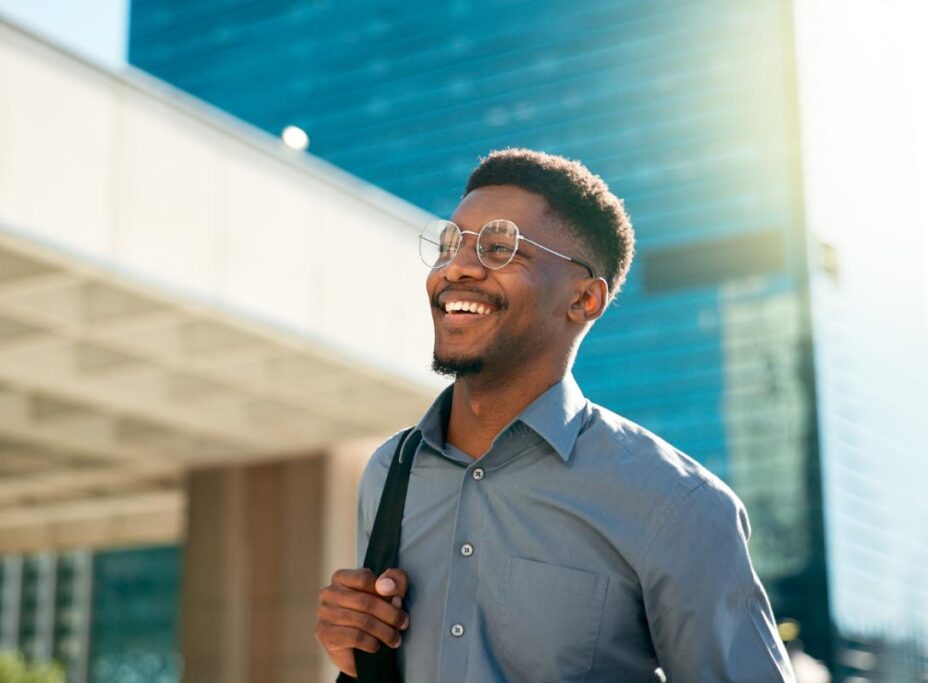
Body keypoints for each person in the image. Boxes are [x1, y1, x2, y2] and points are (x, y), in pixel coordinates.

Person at [314, 149, 795, 682]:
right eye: (451, 245)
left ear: (584, 300)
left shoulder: (679, 506)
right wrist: (356, 654)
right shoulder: (390, 470)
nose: (457, 268)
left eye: (501, 248)